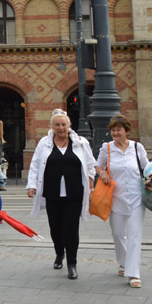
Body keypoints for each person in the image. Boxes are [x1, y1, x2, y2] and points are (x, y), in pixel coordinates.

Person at [26, 109, 96, 281]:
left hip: (75, 193)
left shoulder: (80, 143)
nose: (61, 128)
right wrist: (32, 186)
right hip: (52, 193)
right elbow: (35, 165)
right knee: (55, 228)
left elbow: (90, 166)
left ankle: (72, 263)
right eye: (57, 125)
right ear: (52, 126)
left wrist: (91, 189)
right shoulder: (44, 143)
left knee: (71, 229)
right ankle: (59, 253)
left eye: (64, 124)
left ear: (69, 125)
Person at [97, 116, 149, 289]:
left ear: (127, 131)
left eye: (119, 130)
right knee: (118, 234)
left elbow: (147, 167)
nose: (115, 133)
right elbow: (97, 166)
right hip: (116, 198)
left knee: (135, 235)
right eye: (113, 130)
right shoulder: (107, 148)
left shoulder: (137, 147)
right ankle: (123, 261)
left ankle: (134, 273)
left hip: (136, 197)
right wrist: (102, 173)